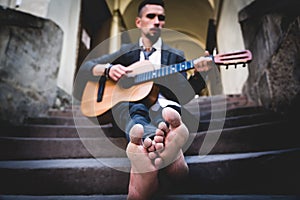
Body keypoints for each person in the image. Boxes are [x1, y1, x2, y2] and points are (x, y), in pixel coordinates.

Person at [75, 0, 215, 199]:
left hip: (166, 104)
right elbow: (88, 67)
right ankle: (170, 154)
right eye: (151, 16)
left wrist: (201, 75)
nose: (157, 21)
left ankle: (144, 153)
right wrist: (108, 69)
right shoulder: (126, 52)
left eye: (161, 18)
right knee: (129, 106)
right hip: (129, 106)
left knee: (166, 110)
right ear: (139, 22)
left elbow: (185, 93)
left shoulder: (176, 55)